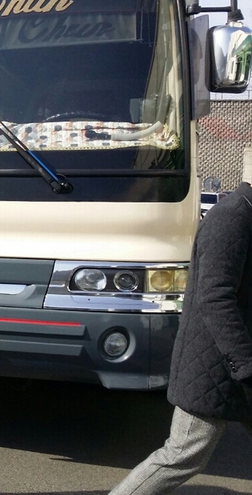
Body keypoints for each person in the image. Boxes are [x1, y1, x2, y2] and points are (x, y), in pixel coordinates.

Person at [110, 180, 252, 494]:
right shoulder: (234, 215)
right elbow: (215, 297)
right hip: (214, 366)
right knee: (182, 454)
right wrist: (246, 364)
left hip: (236, 362)